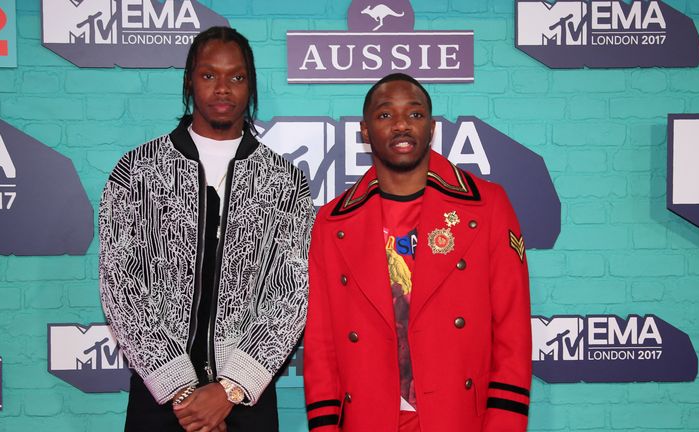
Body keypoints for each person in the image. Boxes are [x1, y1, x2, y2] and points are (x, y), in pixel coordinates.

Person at [99, 26, 314, 432]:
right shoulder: (138, 172)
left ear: (250, 87)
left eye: (236, 77)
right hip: (160, 398)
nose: (222, 88)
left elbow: (290, 290)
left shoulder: (285, 181)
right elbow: (119, 282)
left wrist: (228, 391)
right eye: (208, 74)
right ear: (189, 80)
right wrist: (184, 393)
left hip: (246, 400)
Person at [303, 73, 532, 431]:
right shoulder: (333, 222)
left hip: (458, 418)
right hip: (367, 420)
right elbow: (321, 344)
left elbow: (512, 330)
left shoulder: (487, 206)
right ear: (365, 132)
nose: (401, 126)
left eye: (414, 115)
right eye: (385, 116)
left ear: (431, 128)